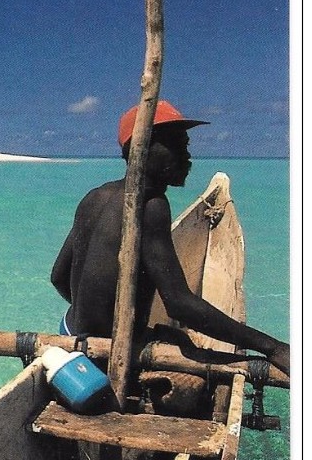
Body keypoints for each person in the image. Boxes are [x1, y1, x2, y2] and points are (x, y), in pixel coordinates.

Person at [50, 100, 290, 375]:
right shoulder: (151, 206)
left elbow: (58, 276)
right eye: (177, 145)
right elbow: (178, 304)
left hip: (69, 332)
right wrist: (273, 347)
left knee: (172, 337)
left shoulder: (95, 196)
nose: (187, 157)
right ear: (143, 148)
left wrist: (95, 317)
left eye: (185, 146)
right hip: (106, 356)